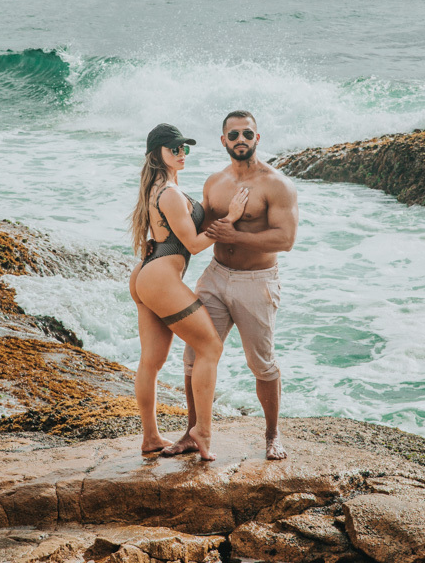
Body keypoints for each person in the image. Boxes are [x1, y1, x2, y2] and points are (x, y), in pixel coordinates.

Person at [164, 110, 299, 460]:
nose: (241, 140)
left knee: (262, 364)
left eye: (248, 134)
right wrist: (161, 249)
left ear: (258, 138)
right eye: (234, 135)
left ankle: (272, 435)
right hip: (216, 275)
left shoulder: (276, 184)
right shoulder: (215, 183)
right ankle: (193, 433)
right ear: (223, 141)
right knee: (194, 357)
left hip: (256, 282)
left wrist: (236, 233)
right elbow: (199, 233)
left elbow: (285, 239)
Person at [128, 122, 249, 462]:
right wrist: (232, 218)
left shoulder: (158, 187)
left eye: (184, 148)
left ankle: (150, 438)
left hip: (147, 274)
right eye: (174, 149)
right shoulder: (167, 192)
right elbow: (194, 245)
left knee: (151, 361)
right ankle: (202, 431)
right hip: (160, 278)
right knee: (210, 346)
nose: (181, 154)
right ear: (157, 154)